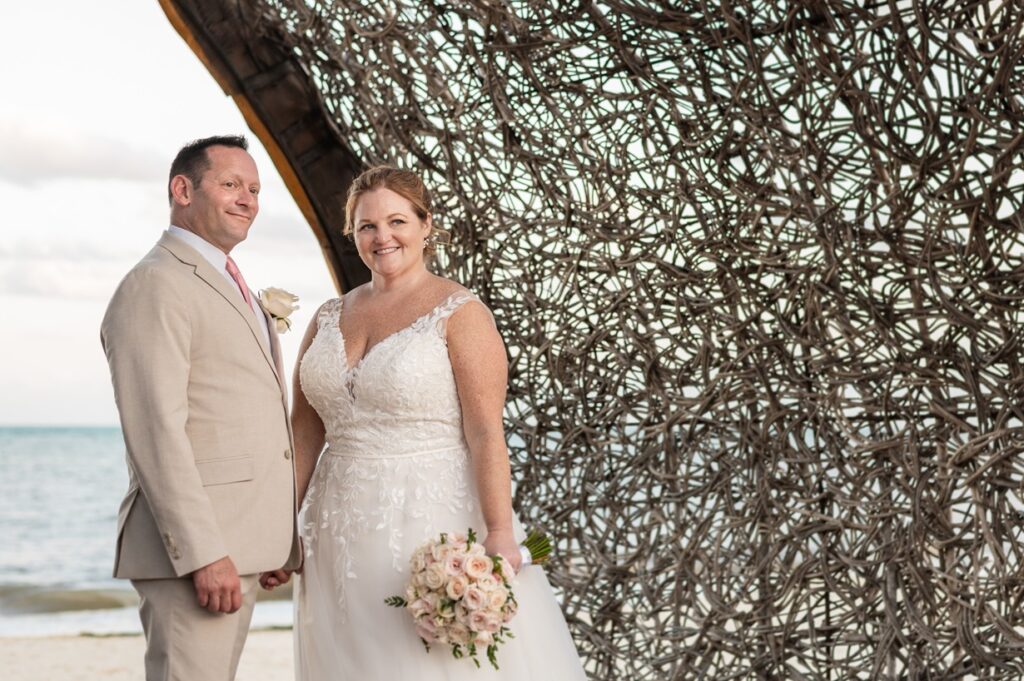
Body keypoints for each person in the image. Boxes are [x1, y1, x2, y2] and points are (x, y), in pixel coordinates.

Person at [281, 166, 587, 678]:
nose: (383, 237)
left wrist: (499, 531)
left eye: (397, 221)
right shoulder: (328, 315)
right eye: (367, 226)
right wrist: (280, 529)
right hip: (333, 527)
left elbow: (487, 432)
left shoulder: (460, 313)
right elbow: (304, 429)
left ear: (426, 226)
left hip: (428, 521)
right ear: (352, 234)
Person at [101, 135, 300, 681]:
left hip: (240, 548)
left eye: (255, 189)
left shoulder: (223, 279)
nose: (248, 200)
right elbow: (156, 432)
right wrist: (203, 554)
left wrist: (274, 539)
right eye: (232, 184)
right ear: (182, 189)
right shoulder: (155, 284)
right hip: (197, 556)